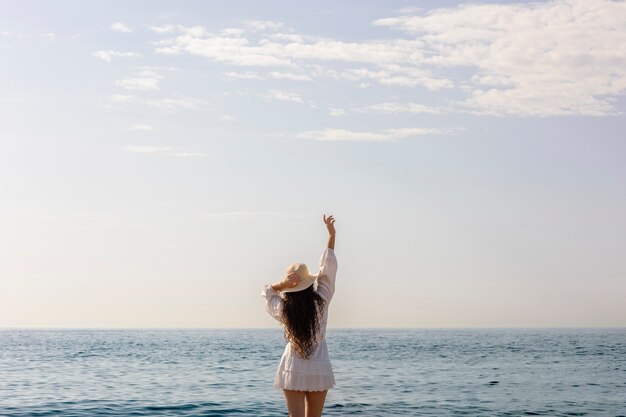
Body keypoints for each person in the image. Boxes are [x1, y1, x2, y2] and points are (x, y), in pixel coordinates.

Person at [261, 214, 338, 417]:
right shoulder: (321, 301)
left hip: (293, 365)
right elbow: (328, 270)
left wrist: (282, 285)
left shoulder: (285, 309)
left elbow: (267, 292)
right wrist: (331, 235)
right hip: (319, 365)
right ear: (309, 283)